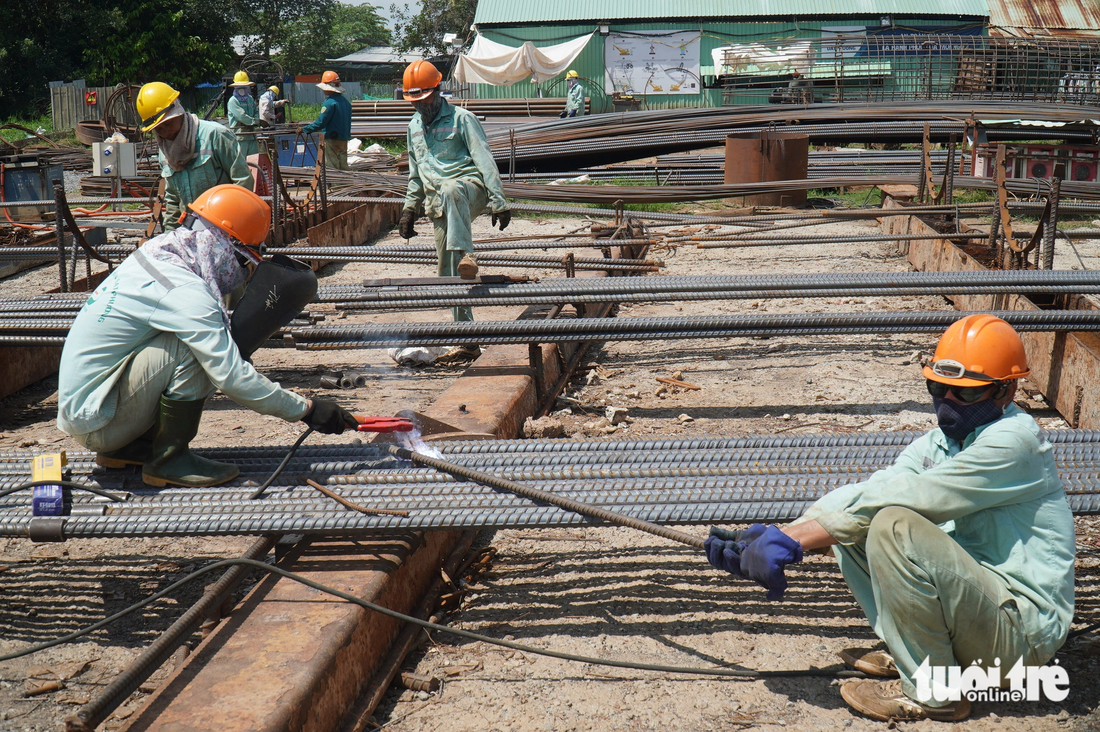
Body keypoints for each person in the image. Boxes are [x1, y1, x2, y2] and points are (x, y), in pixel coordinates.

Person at [705, 314, 1075, 722]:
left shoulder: (1014, 443)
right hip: (980, 617)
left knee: (892, 526)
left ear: (1006, 390)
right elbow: (869, 492)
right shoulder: (940, 443)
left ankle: (935, 693)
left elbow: (913, 497)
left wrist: (797, 540)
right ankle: (919, 657)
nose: (948, 400)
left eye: (966, 394)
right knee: (858, 525)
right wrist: (782, 532)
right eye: (939, 387)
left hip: (1017, 638)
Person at [56, 185, 357, 488]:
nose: (240, 273)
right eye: (242, 261)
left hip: (91, 410)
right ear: (223, 245)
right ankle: (168, 461)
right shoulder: (183, 289)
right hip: (99, 422)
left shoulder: (160, 254)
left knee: (196, 343)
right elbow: (230, 376)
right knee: (201, 352)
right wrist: (306, 409)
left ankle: (129, 448)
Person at [398, 60, 511, 363]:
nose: (421, 108)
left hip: (469, 189)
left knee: (451, 188)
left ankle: (467, 254)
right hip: (439, 203)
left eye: (425, 100)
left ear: (438, 90)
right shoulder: (413, 129)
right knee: (448, 278)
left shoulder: (462, 119)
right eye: (415, 103)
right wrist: (409, 209)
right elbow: (415, 175)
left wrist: (498, 200)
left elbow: (484, 158)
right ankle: (469, 341)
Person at [135, 81, 252, 232]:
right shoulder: (164, 153)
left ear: (178, 111)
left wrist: (233, 228)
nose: (165, 132)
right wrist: (170, 238)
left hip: (226, 228)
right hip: (192, 233)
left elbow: (243, 182)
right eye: (158, 129)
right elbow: (173, 199)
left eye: (168, 123)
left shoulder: (215, 136)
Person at [303, 70, 352, 171]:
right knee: (343, 166)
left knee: (332, 166)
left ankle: (335, 186)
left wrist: (305, 129)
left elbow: (321, 123)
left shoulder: (329, 103)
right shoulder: (346, 102)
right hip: (343, 139)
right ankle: (346, 185)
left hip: (332, 140)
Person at [226, 71, 260, 157]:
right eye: (240, 87)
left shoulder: (250, 99)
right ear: (235, 87)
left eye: (245, 87)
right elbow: (241, 116)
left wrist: (257, 119)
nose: (243, 89)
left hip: (252, 136)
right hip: (240, 137)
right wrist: (254, 122)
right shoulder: (233, 101)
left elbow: (256, 111)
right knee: (241, 162)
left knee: (254, 161)